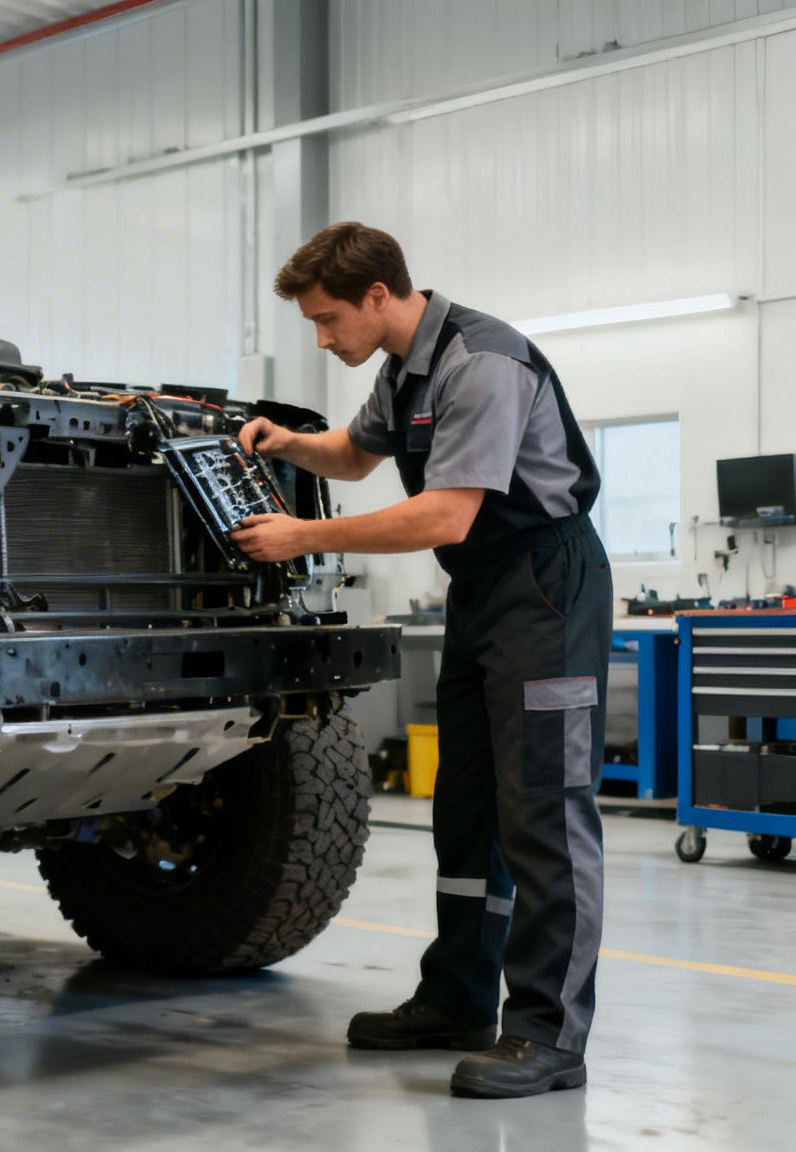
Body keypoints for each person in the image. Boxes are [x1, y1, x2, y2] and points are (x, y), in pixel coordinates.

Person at [231, 222, 610, 1099]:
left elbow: (445, 515)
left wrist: (301, 537)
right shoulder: (402, 371)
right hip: (483, 590)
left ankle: (550, 1035)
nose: (322, 339)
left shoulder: (481, 362)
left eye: (328, 319)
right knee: (469, 809)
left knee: (545, 811)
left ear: (377, 295)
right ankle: (459, 999)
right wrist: (287, 443)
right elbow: (356, 457)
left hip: (545, 586)